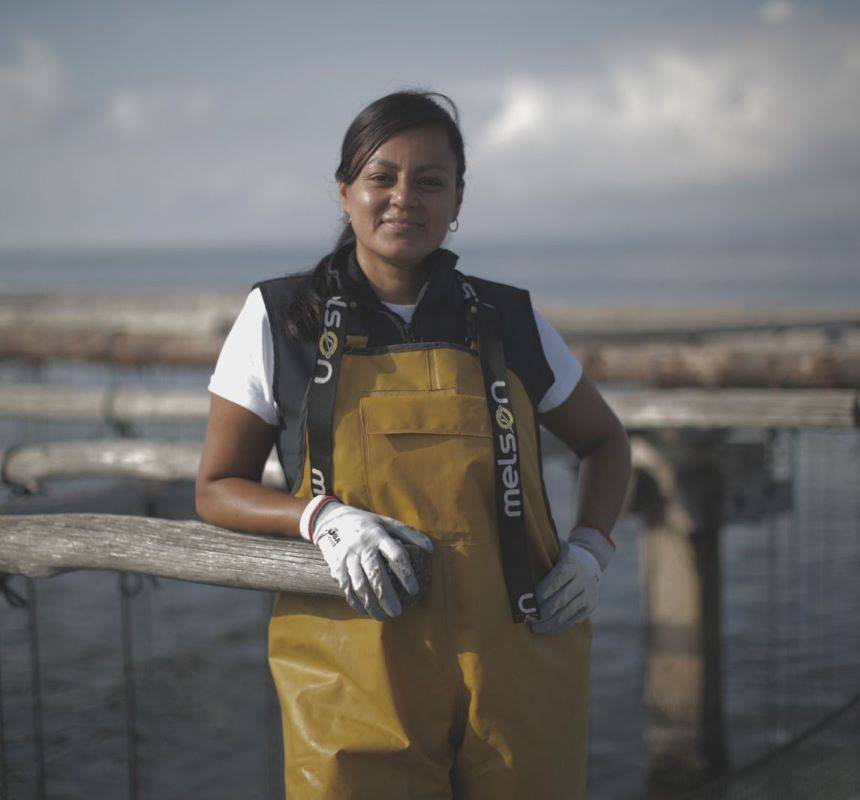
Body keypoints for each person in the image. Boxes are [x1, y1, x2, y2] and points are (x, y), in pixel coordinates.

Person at [195, 90, 632, 800]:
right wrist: (320, 517)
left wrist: (591, 548)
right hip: (351, 665)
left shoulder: (507, 317)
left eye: (430, 180)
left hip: (518, 658)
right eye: (382, 177)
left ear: (458, 200)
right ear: (345, 193)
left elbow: (607, 441)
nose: (405, 197)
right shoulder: (278, 318)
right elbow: (216, 488)